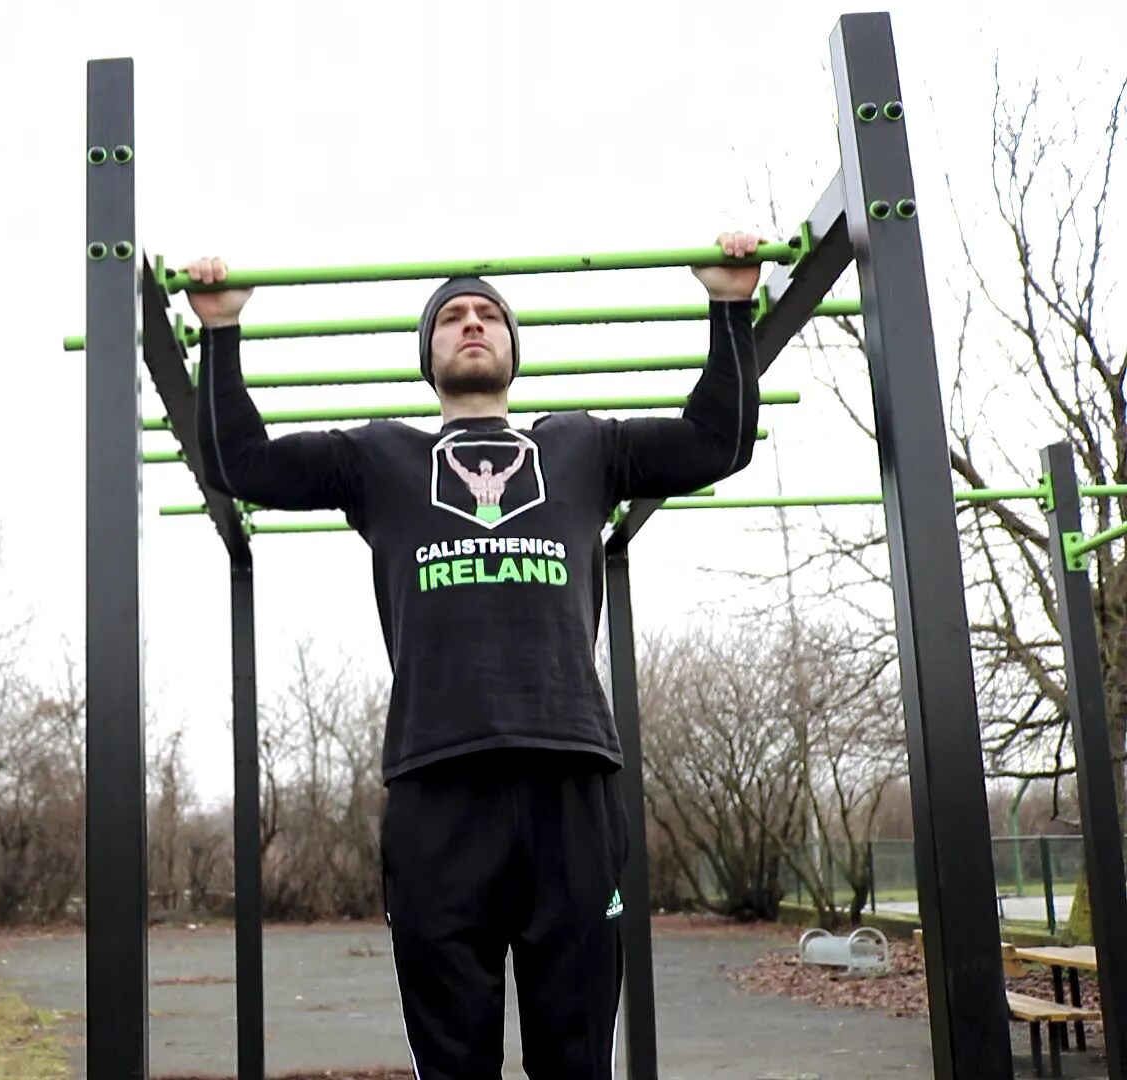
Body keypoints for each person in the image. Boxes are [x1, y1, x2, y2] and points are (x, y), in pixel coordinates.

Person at [188, 234, 765, 1078]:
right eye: (451, 316)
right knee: (452, 1057)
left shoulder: (582, 448)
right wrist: (220, 331)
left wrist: (730, 305)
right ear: (429, 354)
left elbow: (720, 442)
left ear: (511, 349)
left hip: (570, 781)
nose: (470, 323)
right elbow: (241, 464)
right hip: (437, 786)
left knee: (576, 1058)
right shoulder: (379, 459)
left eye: (488, 314)